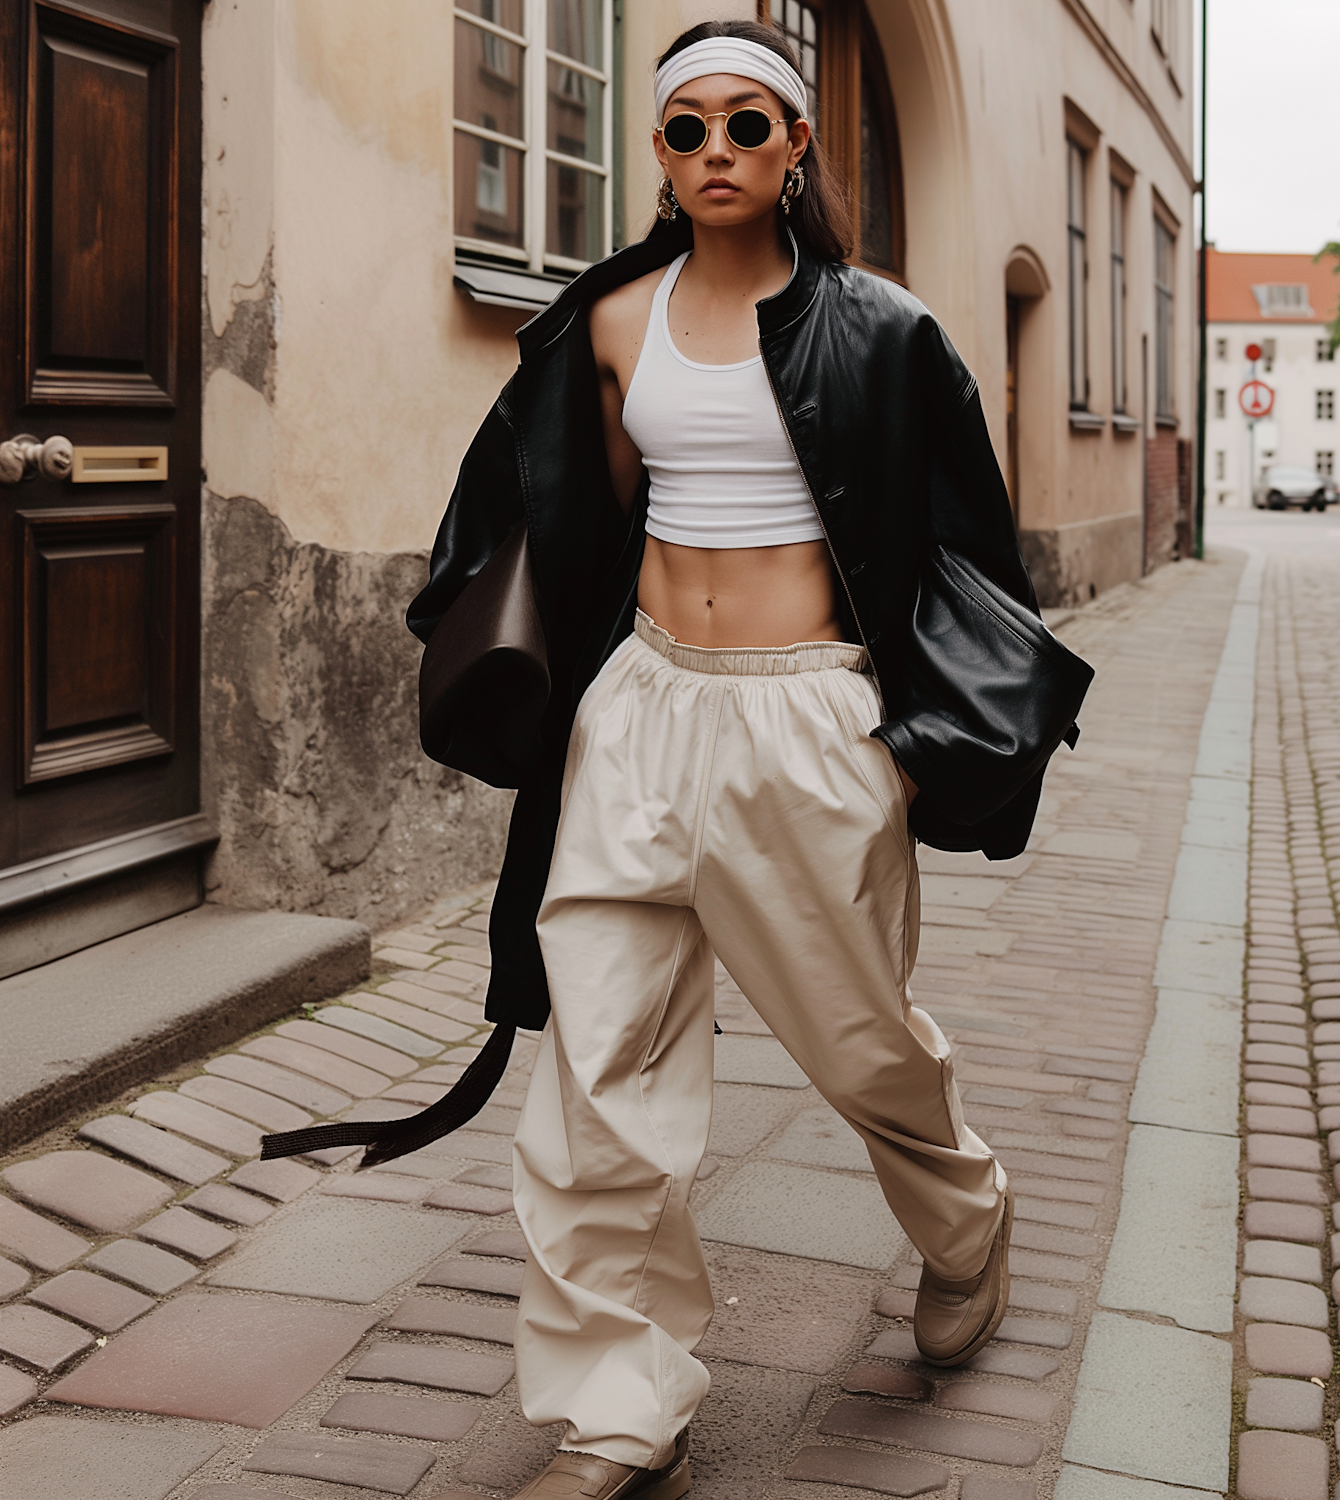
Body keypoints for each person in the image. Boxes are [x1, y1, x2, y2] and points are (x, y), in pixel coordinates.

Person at [405, 20, 1066, 1500]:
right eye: (685, 127)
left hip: (811, 720)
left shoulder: (887, 332)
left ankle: (967, 1220)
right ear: (657, 150)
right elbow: (563, 522)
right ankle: (619, 1407)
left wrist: (910, 749)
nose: (715, 152)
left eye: (746, 127)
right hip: (642, 712)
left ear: (797, 146)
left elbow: (975, 561)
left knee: (862, 1041)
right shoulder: (610, 322)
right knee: (599, 1064)